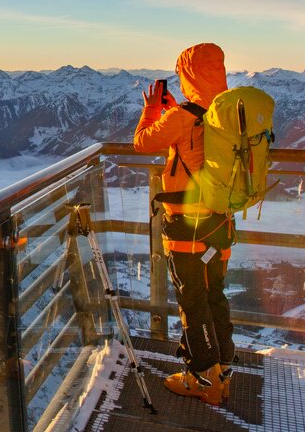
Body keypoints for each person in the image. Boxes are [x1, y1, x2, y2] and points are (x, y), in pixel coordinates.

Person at [133, 42, 235, 406]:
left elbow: (143, 143)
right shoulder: (228, 114)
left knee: (192, 300)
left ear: (187, 74)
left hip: (188, 227)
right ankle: (221, 370)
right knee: (214, 295)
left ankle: (202, 381)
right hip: (221, 224)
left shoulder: (182, 116)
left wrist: (151, 109)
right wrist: (174, 112)